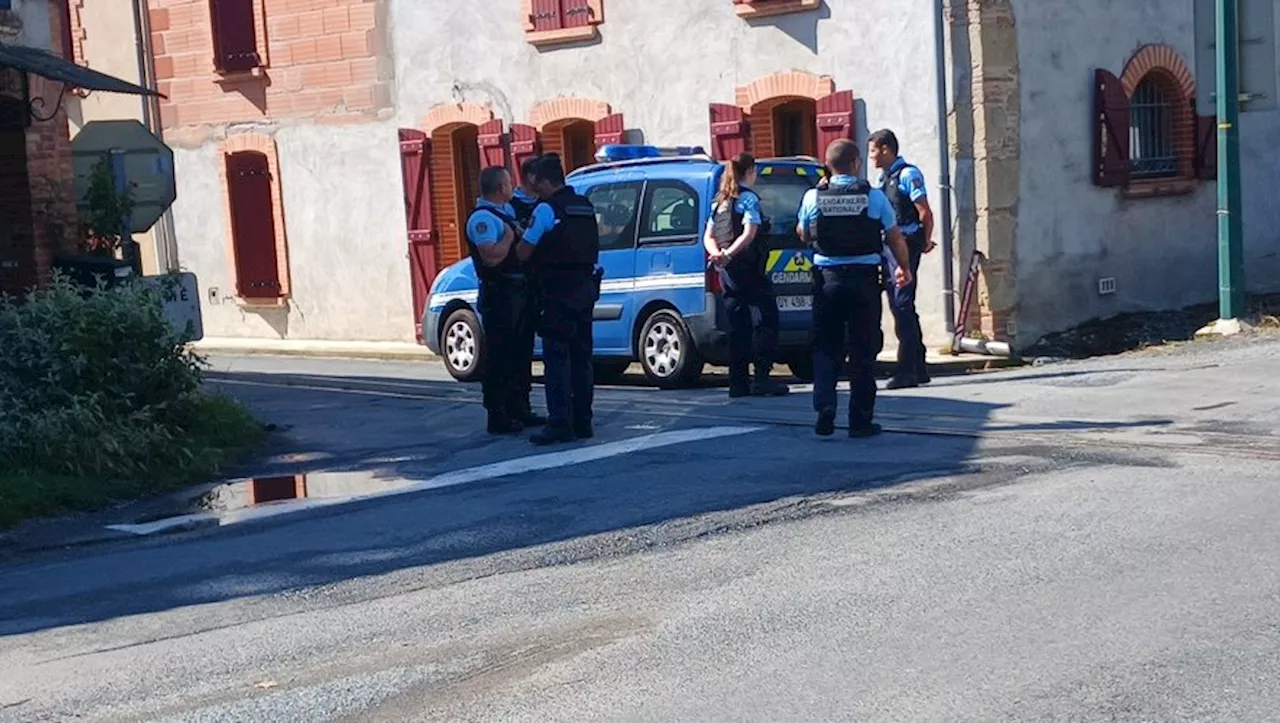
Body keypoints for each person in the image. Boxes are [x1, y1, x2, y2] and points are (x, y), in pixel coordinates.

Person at [797, 139, 912, 438]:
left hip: (827, 280)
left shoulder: (813, 197)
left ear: (828, 165)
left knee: (825, 347)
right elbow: (894, 236)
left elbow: (802, 233)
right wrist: (904, 267)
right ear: (857, 163)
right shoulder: (873, 197)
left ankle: (825, 407)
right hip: (863, 281)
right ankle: (860, 421)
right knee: (863, 349)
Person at [516, 154, 602, 446]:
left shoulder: (545, 210)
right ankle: (583, 421)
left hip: (557, 291)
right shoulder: (585, 206)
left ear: (544, 181)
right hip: (585, 289)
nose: (533, 187)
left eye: (535, 182)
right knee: (582, 360)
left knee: (557, 361)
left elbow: (524, 252)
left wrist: (520, 237)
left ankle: (559, 423)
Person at [702, 152, 790, 398]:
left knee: (737, 327)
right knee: (766, 320)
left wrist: (718, 255)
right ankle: (762, 378)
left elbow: (707, 236)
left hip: (726, 272)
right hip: (748, 268)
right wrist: (729, 254)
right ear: (749, 171)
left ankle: (737, 383)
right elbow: (750, 233)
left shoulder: (719, 202)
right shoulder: (748, 199)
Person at [464, 166, 544, 434]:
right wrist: (511, 237)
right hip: (499, 294)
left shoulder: (505, 212)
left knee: (520, 353)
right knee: (500, 355)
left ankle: (519, 407)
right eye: (509, 184)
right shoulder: (483, 219)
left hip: (518, 293)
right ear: (500, 188)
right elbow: (491, 257)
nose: (514, 188)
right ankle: (498, 414)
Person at [868, 128, 936, 389]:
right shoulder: (883, 179)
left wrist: (925, 241)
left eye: (874, 150)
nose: (871, 157)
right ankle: (918, 367)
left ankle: (907, 369)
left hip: (904, 245)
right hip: (889, 247)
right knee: (901, 307)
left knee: (903, 304)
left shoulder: (907, 175)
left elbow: (924, 212)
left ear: (886, 149)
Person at [506, 156, 544, 426]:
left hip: (539, 284)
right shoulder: (510, 208)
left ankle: (524, 405)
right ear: (531, 178)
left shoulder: (546, 204)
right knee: (511, 349)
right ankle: (510, 407)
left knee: (526, 348)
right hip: (513, 286)